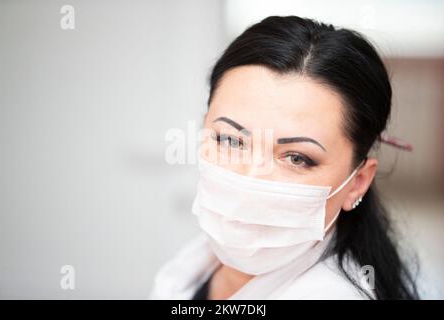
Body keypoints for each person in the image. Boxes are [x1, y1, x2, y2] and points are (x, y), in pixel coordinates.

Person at [150, 15, 418, 300]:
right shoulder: (200, 260)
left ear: (357, 183)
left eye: (297, 158)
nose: (250, 177)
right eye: (230, 140)